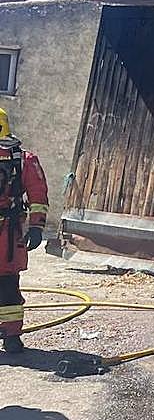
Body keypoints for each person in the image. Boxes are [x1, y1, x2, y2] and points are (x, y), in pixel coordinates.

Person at [0, 107, 48, 353]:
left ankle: (11, 336)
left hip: (8, 234)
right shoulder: (23, 159)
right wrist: (36, 224)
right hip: (8, 234)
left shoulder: (22, 159)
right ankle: (11, 336)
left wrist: (37, 226)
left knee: (7, 284)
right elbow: (38, 194)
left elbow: (37, 193)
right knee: (8, 284)